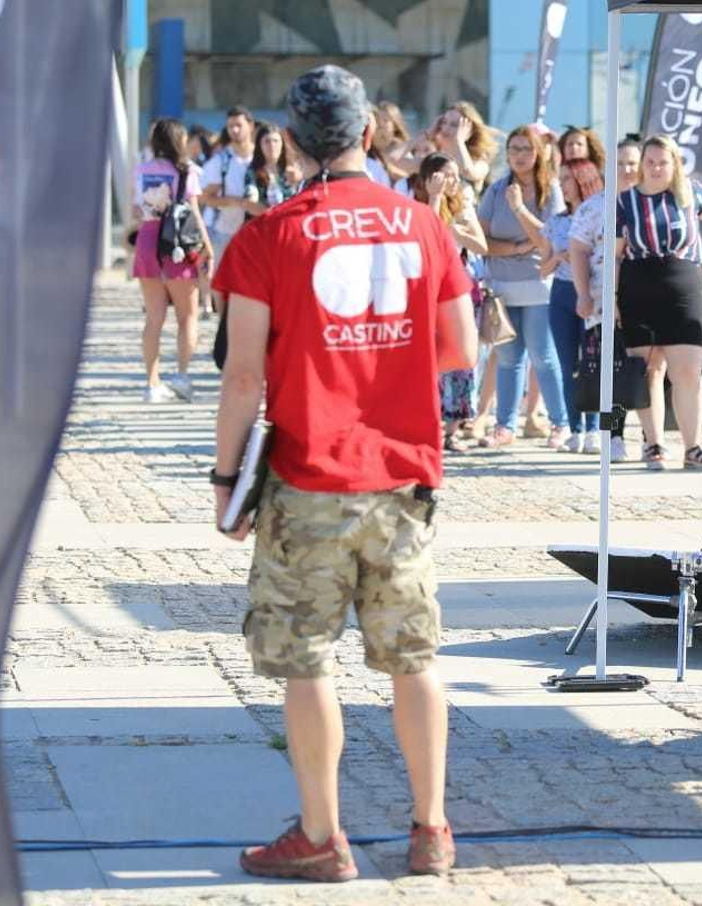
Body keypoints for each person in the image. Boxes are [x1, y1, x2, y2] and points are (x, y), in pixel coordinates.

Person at [211, 65, 476, 882]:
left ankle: (324, 835)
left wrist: (227, 478)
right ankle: (431, 828)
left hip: (309, 477)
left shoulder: (268, 235)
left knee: (307, 660)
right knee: (413, 655)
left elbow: (243, 375)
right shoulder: (422, 226)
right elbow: (462, 348)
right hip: (400, 478)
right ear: (368, 134)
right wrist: (386, 366)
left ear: (289, 144)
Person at [616, 134, 702, 471]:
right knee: (649, 369)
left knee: (688, 369)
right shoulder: (626, 202)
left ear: (674, 164)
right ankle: (653, 443)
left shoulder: (690, 194)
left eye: (662, 162)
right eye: (649, 162)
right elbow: (616, 253)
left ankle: (693, 446)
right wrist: (610, 299)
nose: (655, 168)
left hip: (681, 284)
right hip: (638, 285)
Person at [476, 125, 572, 449]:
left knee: (543, 356)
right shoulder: (495, 190)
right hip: (501, 285)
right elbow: (482, 241)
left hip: (537, 285)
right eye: (513, 149)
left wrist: (519, 209)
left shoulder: (551, 190)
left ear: (539, 153)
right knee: (507, 357)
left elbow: (549, 242)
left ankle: (561, 423)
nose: (519, 156)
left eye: (525, 149)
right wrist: (517, 248)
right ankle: (504, 426)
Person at [132, 119, 213, 403]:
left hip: (148, 240)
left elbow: (135, 212)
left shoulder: (141, 171)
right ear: (179, 140)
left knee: (153, 318)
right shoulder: (188, 172)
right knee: (187, 315)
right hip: (179, 243)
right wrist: (208, 247)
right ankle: (182, 376)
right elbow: (194, 213)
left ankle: (152, 384)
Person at [412, 153, 488, 452]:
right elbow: (426, 240)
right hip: (428, 292)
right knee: (430, 359)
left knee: (461, 358)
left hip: (461, 290)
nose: (453, 181)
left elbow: (482, 245)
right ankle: (428, 423)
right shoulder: (419, 208)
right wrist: (434, 198)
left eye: (456, 175)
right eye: (447, 175)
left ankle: (454, 427)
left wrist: (459, 233)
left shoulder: (463, 207)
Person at [569, 158, 629, 462]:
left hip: (649, 300)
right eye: (622, 164)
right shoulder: (595, 207)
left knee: (648, 371)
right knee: (611, 374)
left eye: (633, 163)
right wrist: (582, 294)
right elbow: (578, 250)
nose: (628, 170)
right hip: (603, 302)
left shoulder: (655, 201)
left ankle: (651, 439)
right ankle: (613, 435)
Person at [544, 157, 603, 452]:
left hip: (593, 290)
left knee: (595, 363)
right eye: (561, 178)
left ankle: (596, 428)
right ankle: (574, 427)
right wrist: (558, 257)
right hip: (562, 293)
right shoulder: (556, 220)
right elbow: (542, 267)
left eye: (567, 178)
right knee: (568, 365)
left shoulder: (599, 212)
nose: (562, 185)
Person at [201, 106, 262, 313]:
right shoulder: (221, 161)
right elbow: (205, 197)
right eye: (230, 126)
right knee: (221, 280)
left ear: (250, 126)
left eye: (239, 125)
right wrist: (238, 202)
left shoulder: (262, 158)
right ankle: (222, 325)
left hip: (256, 232)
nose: (235, 130)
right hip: (222, 231)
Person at [247, 123, 301, 208]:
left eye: (275, 141)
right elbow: (251, 200)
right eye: (267, 141)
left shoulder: (294, 168)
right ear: (259, 146)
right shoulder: (253, 170)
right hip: (266, 218)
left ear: (282, 144)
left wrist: (297, 181)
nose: (272, 145)